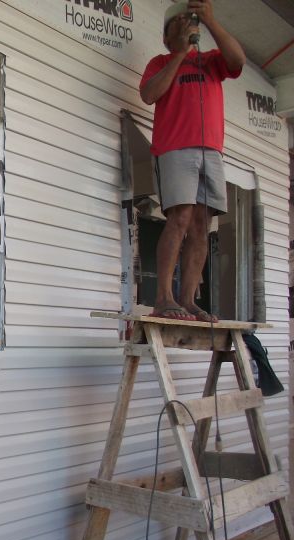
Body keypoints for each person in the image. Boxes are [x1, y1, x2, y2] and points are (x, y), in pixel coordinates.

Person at [140, 0, 245, 322]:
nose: (189, 25)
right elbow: (149, 94)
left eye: (193, 22)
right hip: (175, 148)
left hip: (211, 150)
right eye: (181, 22)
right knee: (180, 217)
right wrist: (181, 54)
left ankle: (187, 300)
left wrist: (211, 21)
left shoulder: (211, 60)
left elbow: (237, 61)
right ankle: (164, 298)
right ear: (167, 35)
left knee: (202, 224)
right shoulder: (160, 62)